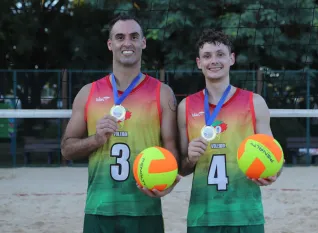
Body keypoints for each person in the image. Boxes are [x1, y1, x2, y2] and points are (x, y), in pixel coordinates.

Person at [61, 14, 181, 233]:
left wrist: (169, 184)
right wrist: (96, 139)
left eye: (134, 37)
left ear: (143, 43)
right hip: (100, 209)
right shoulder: (88, 93)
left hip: (146, 210)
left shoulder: (162, 93)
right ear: (110, 44)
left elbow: (171, 149)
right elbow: (66, 149)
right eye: (120, 37)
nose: (127, 43)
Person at [177, 29, 283, 233]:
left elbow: (275, 158)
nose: (213, 61)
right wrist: (190, 158)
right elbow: (182, 168)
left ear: (231, 59)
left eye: (220, 54)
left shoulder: (255, 102)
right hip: (203, 217)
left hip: (246, 215)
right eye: (207, 56)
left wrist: (273, 173)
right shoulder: (186, 107)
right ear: (199, 62)